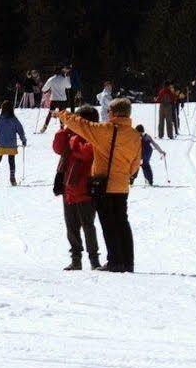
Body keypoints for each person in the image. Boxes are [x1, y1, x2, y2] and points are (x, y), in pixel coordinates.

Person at [51, 99, 143, 273]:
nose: (107, 114)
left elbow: (82, 125)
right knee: (122, 222)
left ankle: (115, 261)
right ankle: (127, 261)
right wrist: (124, 175)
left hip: (104, 184)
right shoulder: (133, 135)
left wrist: (62, 114)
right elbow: (135, 164)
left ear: (114, 113)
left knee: (108, 224)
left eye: (108, 111)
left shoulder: (106, 131)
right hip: (122, 186)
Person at [53, 109, 101, 270]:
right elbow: (58, 147)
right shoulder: (70, 135)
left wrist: (74, 139)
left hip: (86, 189)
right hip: (69, 188)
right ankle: (76, 259)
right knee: (71, 227)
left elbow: (86, 153)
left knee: (88, 225)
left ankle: (94, 260)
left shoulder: (94, 138)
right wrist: (66, 129)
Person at [0, 100, 26, 185]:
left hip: (1, 144)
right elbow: (20, 130)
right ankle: (12, 178)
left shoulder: (0, 119)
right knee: (11, 160)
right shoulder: (14, 119)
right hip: (12, 144)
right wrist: (23, 140)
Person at [39, 66, 73, 130]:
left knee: (50, 113)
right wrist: (67, 78)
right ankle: (62, 128)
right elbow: (69, 86)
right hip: (62, 99)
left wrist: (44, 90)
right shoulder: (64, 79)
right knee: (62, 114)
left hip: (54, 98)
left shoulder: (51, 79)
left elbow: (44, 89)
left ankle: (45, 126)